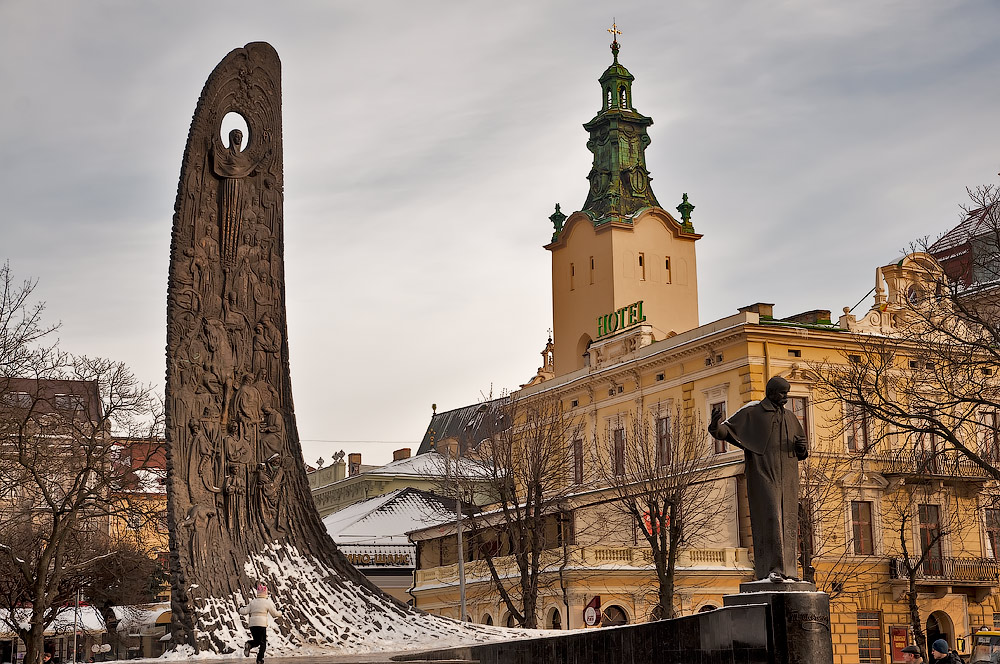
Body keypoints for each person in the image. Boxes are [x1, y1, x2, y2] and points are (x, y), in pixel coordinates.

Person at [708, 375, 808, 581]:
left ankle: (789, 571)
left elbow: (802, 445)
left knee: (788, 520)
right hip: (763, 472)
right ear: (770, 392)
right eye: (782, 393)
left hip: (788, 475)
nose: (785, 398)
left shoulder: (790, 417)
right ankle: (771, 569)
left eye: (787, 393)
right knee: (770, 517)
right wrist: (715, 426)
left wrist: (802, 450)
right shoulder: (753, 412)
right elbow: (727, 431)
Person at [239, 583, 282, 662]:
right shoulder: (267, 602)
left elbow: (244, 611)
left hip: (252, 625)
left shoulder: (253, 602)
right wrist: (281, 612)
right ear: (265, 593)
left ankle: (249, 644)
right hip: (261, 625)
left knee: (257, 641)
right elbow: (275, 614)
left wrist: (240, 608)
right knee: (263, 643)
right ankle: (259, 659)